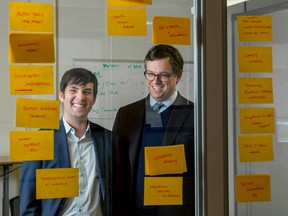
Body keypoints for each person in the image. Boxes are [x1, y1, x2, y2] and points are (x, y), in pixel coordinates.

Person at [113, 44, 194, 216]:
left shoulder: (196, 115)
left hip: (177, 211)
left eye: (163, 75)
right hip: (134, 211)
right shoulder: (126, 115)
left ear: (178, 76)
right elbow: (118, 169)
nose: (155, 81)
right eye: (150, 74)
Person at [20, 68, 115, 216]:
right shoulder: (40, 141)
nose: (80, 97)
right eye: (74, 90)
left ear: (94, 99)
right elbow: (29, 204)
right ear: (61, 95)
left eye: (87, 91)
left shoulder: (109, 140)